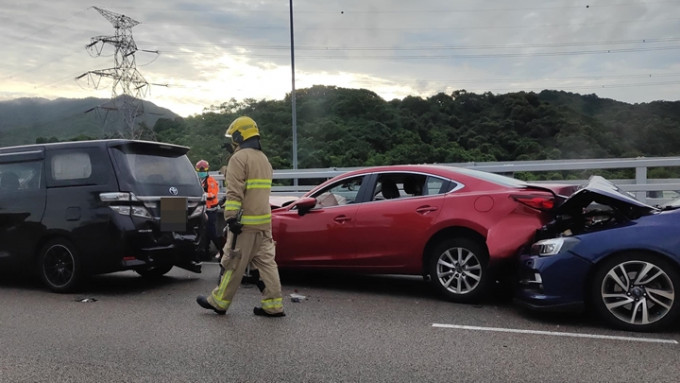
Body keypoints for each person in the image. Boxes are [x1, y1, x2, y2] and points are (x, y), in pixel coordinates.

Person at [196, 116, 285, 317]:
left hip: (244, 223)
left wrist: (231, 218)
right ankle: (273, 305)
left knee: (232, 262)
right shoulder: (263, 159)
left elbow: (235, 192)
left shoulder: (238, 159)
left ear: (239, 135)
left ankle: (218, 301)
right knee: (266, 263)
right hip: (263, 222)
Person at [195, 160, 224, 261]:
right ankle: (206, 253)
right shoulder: (198, 181)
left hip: (211, 210)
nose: (201, 171)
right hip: (202, 210)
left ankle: (222, 250)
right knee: (204, 232)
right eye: (200, 170)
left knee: (211, 232)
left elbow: (212, 195)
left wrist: (203, 195)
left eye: (203, 170)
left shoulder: (211, 181)